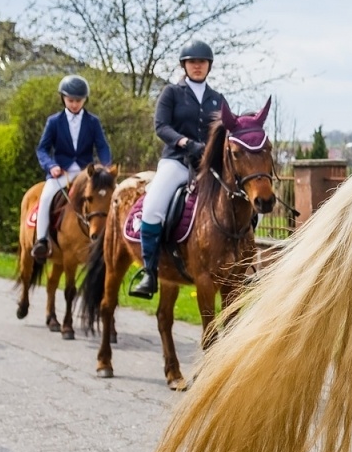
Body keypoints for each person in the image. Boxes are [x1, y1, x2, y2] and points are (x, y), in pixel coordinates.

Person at [129, 41, 226, 299]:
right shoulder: (172, 93)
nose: (197, 66)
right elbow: (161, 126)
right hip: (176, 161)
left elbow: (228, 131)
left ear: (208, 66)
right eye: (192, 62)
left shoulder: (218, 98)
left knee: (241, 200)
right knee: (152, 209)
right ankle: (149, 272)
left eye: (202, 62)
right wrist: (184, 142)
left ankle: (243, 265)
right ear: (184, 65)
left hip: (208, 167)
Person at [32, 75, 113, 261]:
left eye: (79, 100)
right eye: (71, 100)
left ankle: (108, 236)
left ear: (85, 100)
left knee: (105, 197)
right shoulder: (54, 121)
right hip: (62, 171)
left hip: (86, 173)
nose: (75, 104)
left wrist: (106, 166)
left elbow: (102, 146)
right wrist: (51, 166)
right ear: (63, 99)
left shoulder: (93, 122)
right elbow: (42, 149)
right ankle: (42, 240)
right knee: (45, 197)